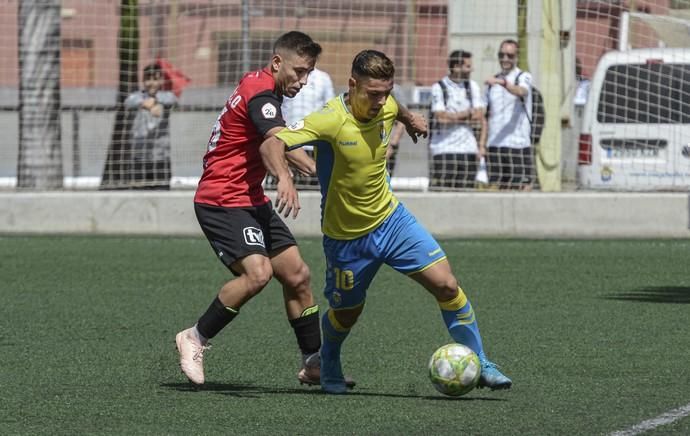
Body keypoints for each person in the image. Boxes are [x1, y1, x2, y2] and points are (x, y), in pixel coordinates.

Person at [266, 49, 512, 394]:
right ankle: (329, 359)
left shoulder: (387, 104)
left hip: (392, 221)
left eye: (387, 92)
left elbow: (396, 106)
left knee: (447, 285)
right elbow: (274, 141)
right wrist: (284, 176)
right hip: (346, 238)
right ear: (352, 86)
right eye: (373, 94)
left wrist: (410, 120)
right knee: (347, 312)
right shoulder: (329, 119)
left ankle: (481, 360)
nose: (382, 102)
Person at [175, 31, 353, 389]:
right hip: (221, 200)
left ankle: (314, 363)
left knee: (297, 275)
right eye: (299, 72)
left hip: (249, 199)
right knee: (258, 274)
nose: (302, 81)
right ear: (277, 63)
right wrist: (285, 179)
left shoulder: (264, 90)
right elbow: (273, 142)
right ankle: (195, 337)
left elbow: (282, 141)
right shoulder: (261, 94)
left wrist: (321, 173)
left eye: (309, 74)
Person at [428, 50, 487, 189]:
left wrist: (452, 116)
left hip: (468, 149)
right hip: (443, 149)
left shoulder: (472, 86)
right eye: (467, 66)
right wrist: (466, 114)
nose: (472, 69)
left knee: (466, 191)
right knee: (443, 191)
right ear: (455, 67)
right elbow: (440, 118)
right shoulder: (439, 87)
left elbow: (478, 116)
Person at [484, 39, 534, 190]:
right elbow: (485, 114)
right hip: (495, 145)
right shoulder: (493, 82)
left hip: (517, 144)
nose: (505, 59)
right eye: (502, 55)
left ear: (517, 56)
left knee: (521, 188)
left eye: (510, 55)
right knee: (496, 189)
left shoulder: (523, 77)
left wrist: (503, 83)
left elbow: (521, 91)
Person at [124, 63, 177, 189]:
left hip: (160, 157)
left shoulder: (166, 96)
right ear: (143, 80)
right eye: (148, 79)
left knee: (162, 194)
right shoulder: (137, 96)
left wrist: (155, 102)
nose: (151, 83)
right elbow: (128, 102)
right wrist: (143, 103)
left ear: (161, 80)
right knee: (138, 197)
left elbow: (173, 100)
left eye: (155, 79)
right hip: (139, 156)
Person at [281, 67, 335, 187]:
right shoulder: (287, 76)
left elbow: (331, 108)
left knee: (314, 184)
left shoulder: (323, 78)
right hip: (289, 141)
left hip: (314, 145)